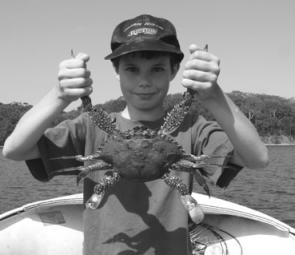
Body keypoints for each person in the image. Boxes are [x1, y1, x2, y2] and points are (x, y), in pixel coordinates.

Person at [3, 14, 268, 255]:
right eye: (131, 69)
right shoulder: (91, 127)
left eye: (157, 69)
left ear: (174, 71)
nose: (144, 81)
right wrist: (59, 96)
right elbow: (14, 150)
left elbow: (257, 159)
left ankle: (185, 199)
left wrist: (214, 96)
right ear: (117, 71)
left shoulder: (191, 127)